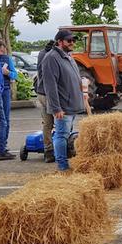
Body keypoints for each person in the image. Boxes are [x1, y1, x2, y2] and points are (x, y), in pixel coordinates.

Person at [42, 29, 86, 171]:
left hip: (71, 104)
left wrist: (83, 88)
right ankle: (62, 166)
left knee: (66, 135)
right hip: (63, 107)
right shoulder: (51, 58)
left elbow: (74, 78)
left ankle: (65, 163)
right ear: (60, 42)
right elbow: (50, 85)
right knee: (61, 135)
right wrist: (56, 108)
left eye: (73, 40)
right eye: (69, 40)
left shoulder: (68, 56)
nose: (72, 43)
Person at [35, 40, 56, 162]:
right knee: (60, 122)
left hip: (40, 92)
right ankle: (59, 151)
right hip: (50, 94)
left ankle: (48, 151)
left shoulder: (41, 53)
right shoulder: (52, 56)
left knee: (47, 124)